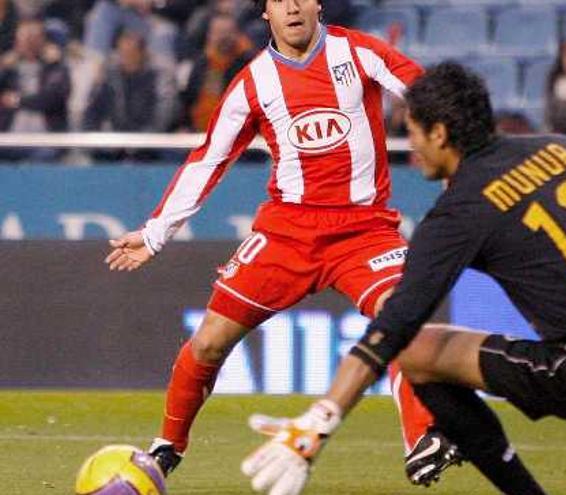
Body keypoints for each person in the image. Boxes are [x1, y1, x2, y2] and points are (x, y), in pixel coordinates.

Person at [239, 62, 566, 495]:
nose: (410, 149)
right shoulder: (562, 148)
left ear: (438, 133)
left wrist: (322, 419)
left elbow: (398, 323)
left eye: (412, 132)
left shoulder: (462, 210)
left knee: (418, 356)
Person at [104, 0, 457, 486]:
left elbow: (430, 96)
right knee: (208, 341)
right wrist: (155, 232)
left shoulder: (359, 52)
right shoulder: (253, 82)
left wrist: (464, 158)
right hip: (286, 234)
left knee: (402, 319)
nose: (291, 6)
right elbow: (210, 159)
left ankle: (423, 438)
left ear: (316, 4)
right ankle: (167, 447)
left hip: (365, 231)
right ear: (265, 12)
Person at [83, 30, 161, 160]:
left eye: (131, 53)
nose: (126, 57)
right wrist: (95, 140)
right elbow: (91, 113)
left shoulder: (156, 78)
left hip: (148, 145)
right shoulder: (110, 78)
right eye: (122, 52)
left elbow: (161, 115)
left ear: (141, 53)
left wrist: (141, 141)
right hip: (116, 143)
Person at [0, 18, 70, 160]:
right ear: (16, 40)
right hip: (9, 138)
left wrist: (17, 100)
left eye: (34, 37)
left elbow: (52, 99)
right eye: (24, 37)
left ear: (43, 41)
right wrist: (2, 68)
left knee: (44, 156)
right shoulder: (9, 70)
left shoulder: (55, 68)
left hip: (45, 140)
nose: (29, 43)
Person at [177, 13, 255, 132]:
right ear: (209, 36)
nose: (223, 37)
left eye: (227, 32)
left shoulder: (251, 64)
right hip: (197, 133)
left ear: (237, 34)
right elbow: (188, 100)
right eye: (218, 32)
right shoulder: (201, 63)